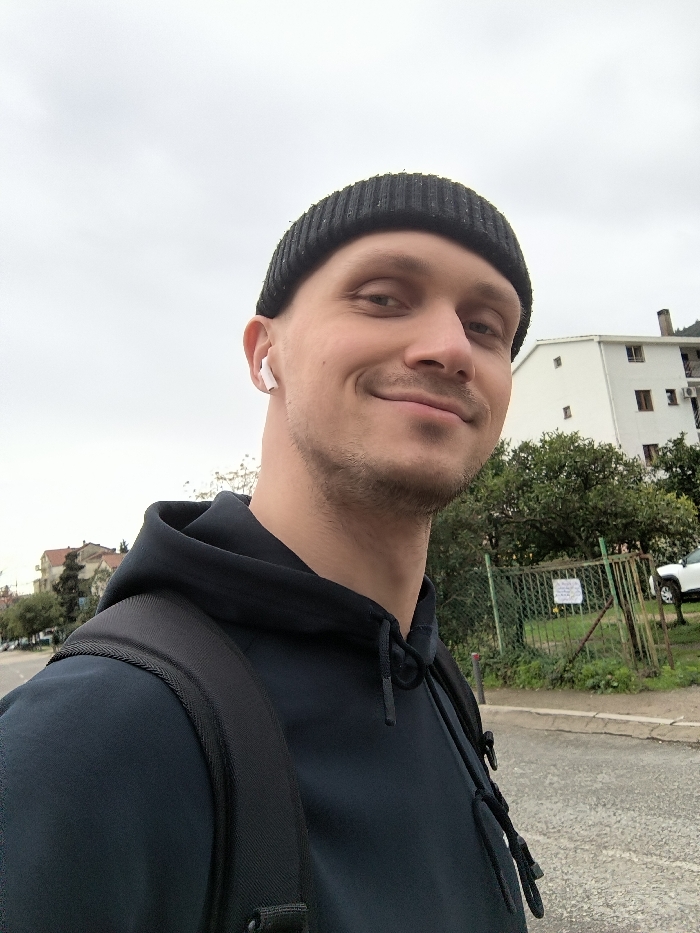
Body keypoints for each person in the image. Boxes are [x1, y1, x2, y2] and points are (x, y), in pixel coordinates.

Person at [1, 173, 536, 932]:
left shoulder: (431, 674)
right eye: (384, 298)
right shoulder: (87, 737)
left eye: (486, 326)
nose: (451, 348)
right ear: (264, 353)